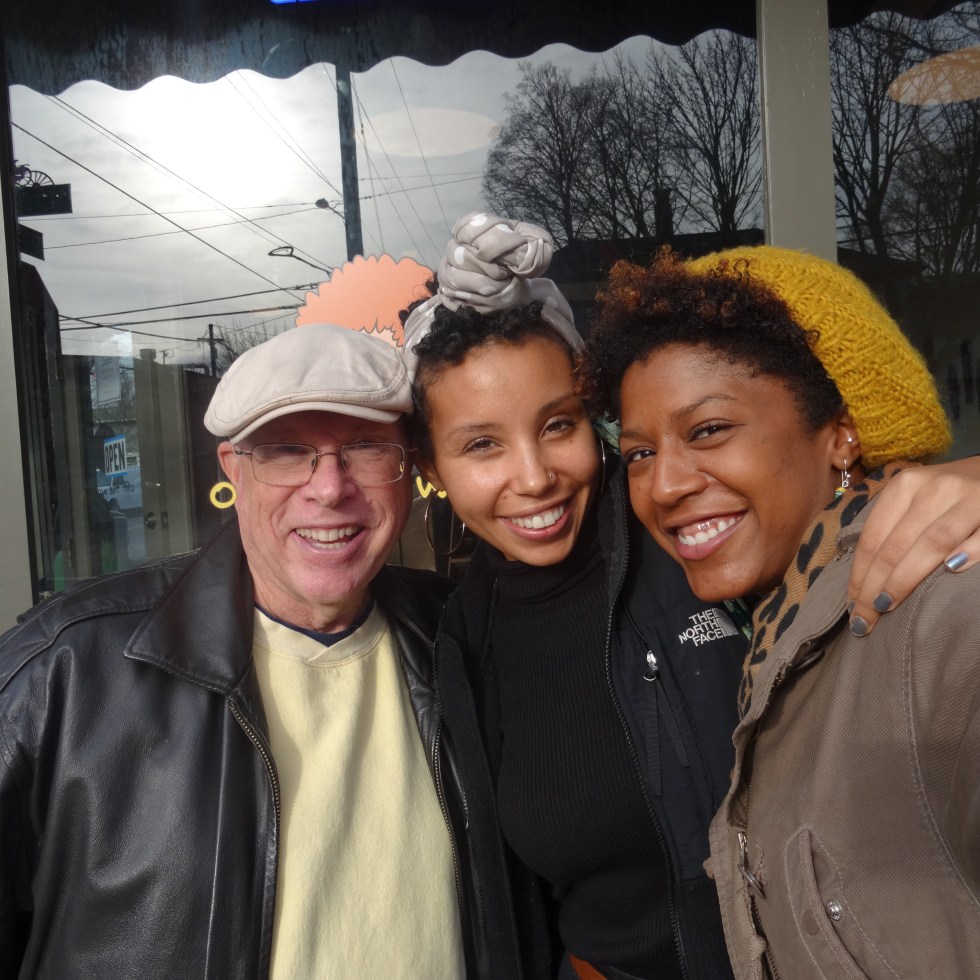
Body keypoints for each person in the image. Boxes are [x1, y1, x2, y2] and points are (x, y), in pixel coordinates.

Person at [401, 212, 980, 980]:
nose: (534, 477)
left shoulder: (705, 548)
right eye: (482, 444)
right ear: (431, 468)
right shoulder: (457, 635)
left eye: (559, 425)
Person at [0, 323, 528, 979]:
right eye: (285, 451)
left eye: (366, 448)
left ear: (409, 470)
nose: (329, 487)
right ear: (234, 468)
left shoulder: (467, 637)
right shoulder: (65, 670)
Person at [579, 245, 980, 978]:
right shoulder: (777, 632)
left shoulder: (939, 616)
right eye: (638, 454)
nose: (663, 486)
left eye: (708, 430)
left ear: (841, 432)